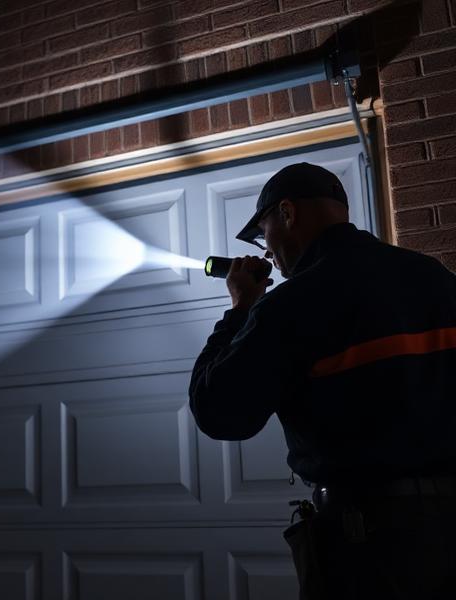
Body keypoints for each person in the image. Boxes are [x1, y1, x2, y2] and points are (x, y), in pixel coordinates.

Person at [188, 162, 456, 600]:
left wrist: (240, 308)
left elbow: (218, 410)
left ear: (288, 213)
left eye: (264, 234)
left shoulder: (292, 305)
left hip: (368, 549)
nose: (268, 253)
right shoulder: (435, 278)